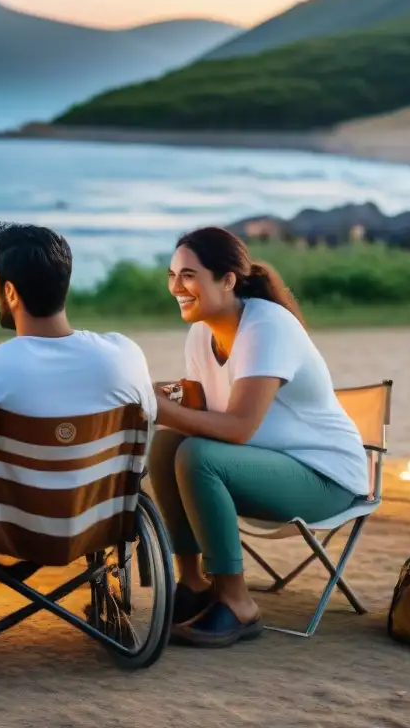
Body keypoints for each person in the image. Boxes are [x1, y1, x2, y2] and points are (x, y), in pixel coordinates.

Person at [147, 226, 366, 648]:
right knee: (168, 444)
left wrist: (162, 409)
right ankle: (194, 584)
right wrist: (156, 393)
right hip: (264, 465)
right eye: (172, 275)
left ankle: (238, 603)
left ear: (227, 279)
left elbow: (238, 428)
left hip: (325, 477)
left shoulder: (267, 327)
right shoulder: (201, 332)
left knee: (197, 455)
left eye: (188, 275)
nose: (176, 287)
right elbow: (198, 403)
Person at [0, 221, 157, 504]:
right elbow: (141, 462)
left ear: (11, 293)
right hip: (98, 525)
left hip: (12, 533)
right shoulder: (127, 354)